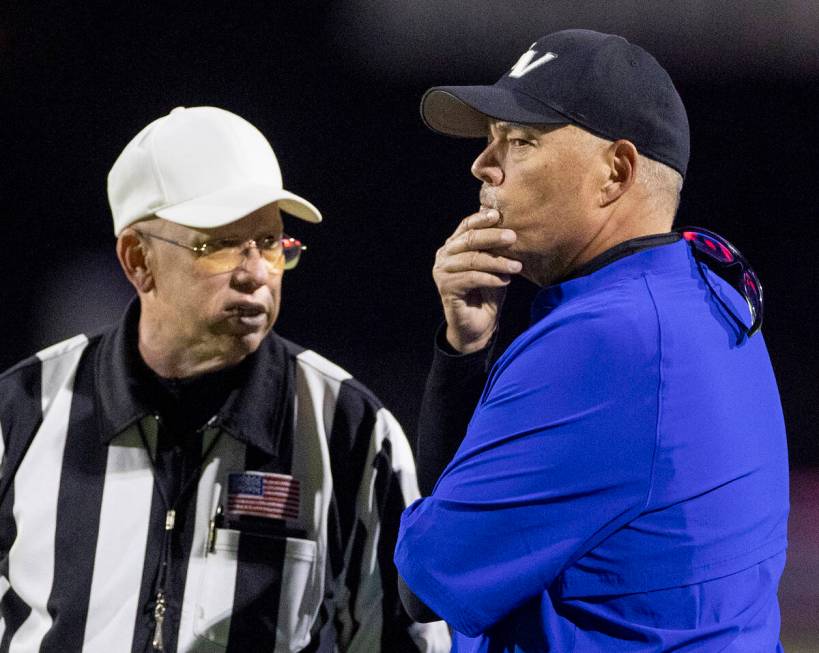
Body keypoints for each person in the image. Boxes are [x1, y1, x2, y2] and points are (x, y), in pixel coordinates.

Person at [0, 106, 450, 652]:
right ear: (137, 260)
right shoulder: (21, 411)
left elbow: (411, 640)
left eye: (270, 243)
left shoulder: (349, 429)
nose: (257, 273)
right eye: (216, 246)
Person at [394, 29, 789, 652]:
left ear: (616, 171)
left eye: (520, 141)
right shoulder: (706, 286)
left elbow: (430, 582)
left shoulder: (603, 340)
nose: (482, 165)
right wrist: (465, 350)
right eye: (491, 139)